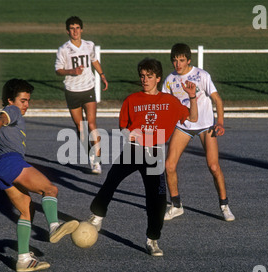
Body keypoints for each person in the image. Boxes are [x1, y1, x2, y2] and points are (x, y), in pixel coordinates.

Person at [88, 58, 198, 256]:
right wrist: (127, 134)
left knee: (157, 198)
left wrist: (193, 97)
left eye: (149, 76)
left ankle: (152, 239)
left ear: (157, 78)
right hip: (133, 149)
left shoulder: (169, 101)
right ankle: (97, 215)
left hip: (154, 153)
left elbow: (193, 117)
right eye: (142, 76)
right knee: (111, 180)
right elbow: (123, 126)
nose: (144, 79)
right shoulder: (132, 100)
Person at [0, 78, 79, 272]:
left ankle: (23, 259)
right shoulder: (12, 111)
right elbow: (0, 119)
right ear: (10, 100)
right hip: (11, 162)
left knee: (27, 211)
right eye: (23, 100)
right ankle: (54, 226)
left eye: (28, 100)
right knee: (50, 189)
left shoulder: (12, 112)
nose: (26, 105)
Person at [162, 43, 235, 222]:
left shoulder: (201, 75)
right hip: (183, 127)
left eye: (181, 60)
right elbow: (165, 105)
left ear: (188, 60)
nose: (177, 64)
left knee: (213, 166)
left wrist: (220, 122)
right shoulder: (170, 80)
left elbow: (217, 100)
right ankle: (176, 205)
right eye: (174, 61)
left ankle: (224, 205)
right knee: (169, 166)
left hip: (205, 126)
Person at [55, 16, 108, 174]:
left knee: (91, 124)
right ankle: (91, 155)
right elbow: (58, 70)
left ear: (82, 29)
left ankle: (97, 161)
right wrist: (72, 71)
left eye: (77, 28)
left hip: (88, 88)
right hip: (72, 91)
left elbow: (94, 60)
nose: (75, 31)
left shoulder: (89, 45)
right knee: (81, 127)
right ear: (67, 31)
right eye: (72, 28)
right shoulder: (63, 49)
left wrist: (102, 75)